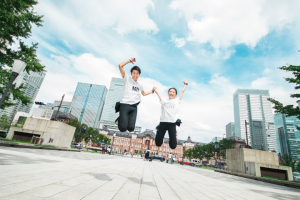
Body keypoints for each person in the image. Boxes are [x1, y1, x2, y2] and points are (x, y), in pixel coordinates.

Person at [115, 58, 155, 132]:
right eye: (134, 73)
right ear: (131, 73)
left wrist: (152, 91)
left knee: (131, 128)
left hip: (134, 107)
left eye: (137, 73)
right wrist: (130, 61)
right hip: (125, 105)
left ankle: (124, 119)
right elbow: (120, 65)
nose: (135, 75)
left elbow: (143, 93)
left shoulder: (140, 84)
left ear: (139, 75)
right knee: (123, 128)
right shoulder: (127, 79)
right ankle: (120, 119)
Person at [153, 80, 188, 149]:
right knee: (158, 143)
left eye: (173, 92)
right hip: (163, 122)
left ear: (175, 94)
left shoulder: (177, 101)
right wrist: (154, 89)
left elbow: (182, 92)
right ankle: (158, 130)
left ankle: (174, 136)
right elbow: (158, 94)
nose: (171, 93)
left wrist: (185, 84)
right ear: (168, 93)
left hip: (172, 124)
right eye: (170, 91)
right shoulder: (164, 101)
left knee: (173, 146)